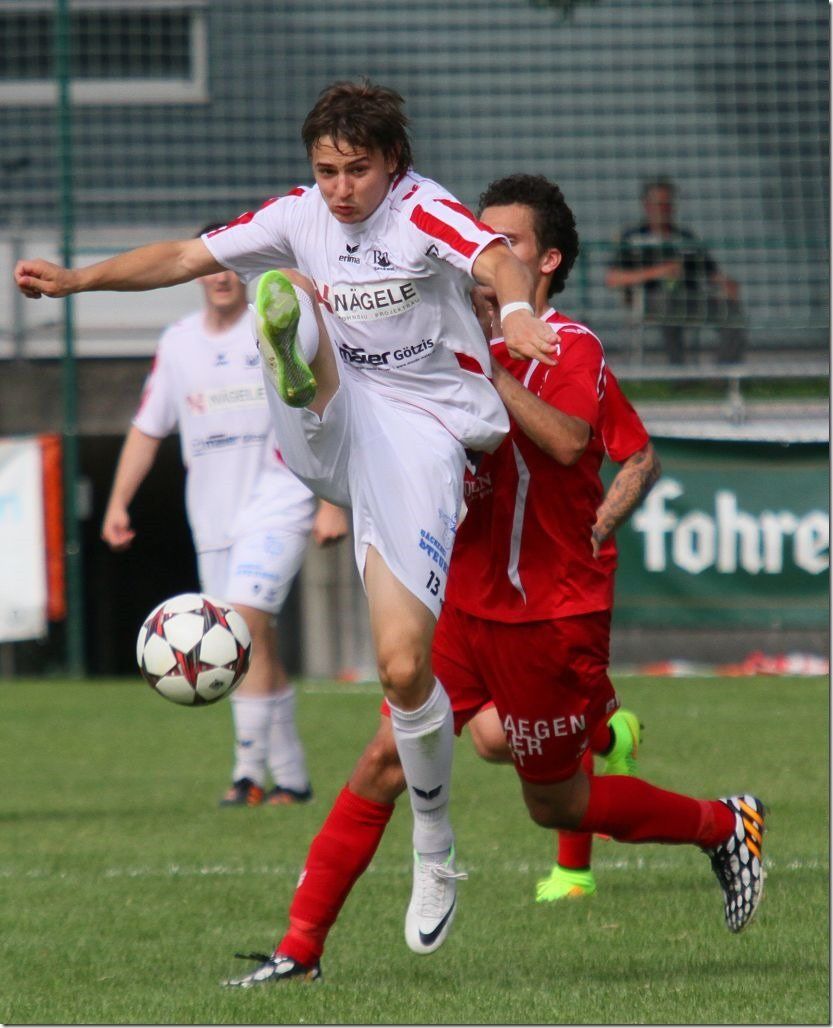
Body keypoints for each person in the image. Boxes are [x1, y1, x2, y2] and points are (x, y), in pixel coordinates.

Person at [15, 81, 559, 948]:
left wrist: (520, 310)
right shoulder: (299, 214)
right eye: (326, 170)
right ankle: (292, 354)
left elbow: (497, 260)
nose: (339, 189)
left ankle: (434, 844)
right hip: (332, 419)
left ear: (392, 164)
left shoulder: (423, 210)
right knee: (286, 288)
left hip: (423, 433)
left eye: (356, 170)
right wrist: (81, 279)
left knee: (401, 669)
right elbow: (184, 255)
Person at [221, 174, 764, 988]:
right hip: (462, 601)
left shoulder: (569, 346)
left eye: (503, 242)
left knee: (557, 804)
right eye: (478, 237)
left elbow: (572, 441)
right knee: (385, 760)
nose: (480, 253)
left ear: (545, 262)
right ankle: (299, 951)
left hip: (546, 613)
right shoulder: (439, 333)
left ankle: (722, 825)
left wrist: (492, 373)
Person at [101, 228, 349, 806]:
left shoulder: (273, 326)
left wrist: (332, 500)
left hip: (279, 498)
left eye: (231, 267)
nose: (219, 277)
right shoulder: (179, 342)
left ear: (245, 273)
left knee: (240, 624)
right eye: (209, 266)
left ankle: (247, 775)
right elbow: (148, 427)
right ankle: (293, 779)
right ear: (194, 273)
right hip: (212, 516)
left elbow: (331, 402)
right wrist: (117, 501)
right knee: (252, 641)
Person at [605, 178, 747, 364]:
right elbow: (613, 279)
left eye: (667, 204)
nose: (663, 209)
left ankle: (724, 372)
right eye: (658, 204)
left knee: (730, 311)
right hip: (651, 300)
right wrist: (658, 271)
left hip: (690, 299)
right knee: (669, 307)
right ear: (646, 205)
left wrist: (726, 284)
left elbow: (711, 271)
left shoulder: (685, 237)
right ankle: (678, 369)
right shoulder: (633, 238)